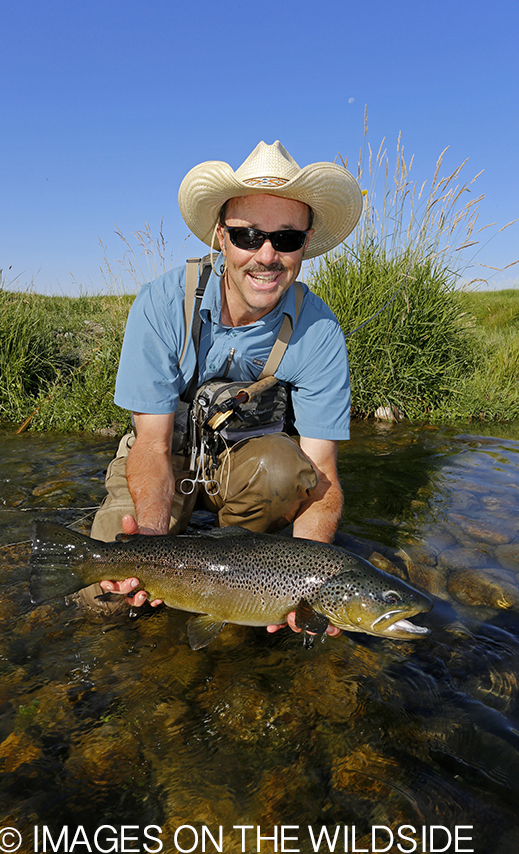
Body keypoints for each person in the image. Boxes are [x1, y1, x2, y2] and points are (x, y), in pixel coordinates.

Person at [87, 140, 362, 638]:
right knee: (104, 597)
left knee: (283, 470)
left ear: (307, 241)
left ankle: (241, 588)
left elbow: (322, 476)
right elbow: (149, 444)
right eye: (247, 235)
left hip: (246, 469)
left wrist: (314, 582)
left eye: (285, 238)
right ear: (220, 237)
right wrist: (152, 543)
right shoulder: (161, 304)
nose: (266, 256)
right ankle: (186, 561)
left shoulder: (318, 331)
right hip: (164, 458)